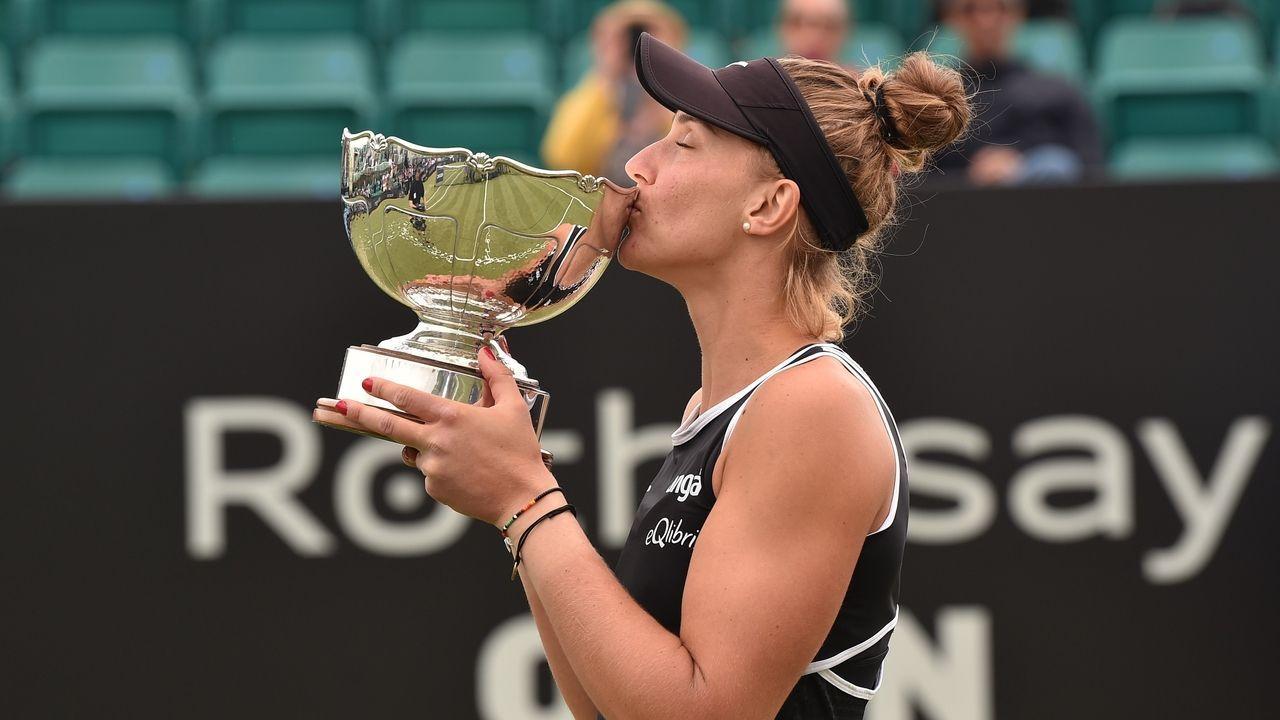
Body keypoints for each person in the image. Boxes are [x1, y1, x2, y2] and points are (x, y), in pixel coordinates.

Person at [316, 32, 970, 719]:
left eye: (684, 142)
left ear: (768, 207)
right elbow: (606, 705)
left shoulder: (810, 407)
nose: (639, 164)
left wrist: (527, 498)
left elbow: (702, 713)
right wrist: (512, 500)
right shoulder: (718, 406)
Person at [933, 0, 1102, 184]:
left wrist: (1018, 161)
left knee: (1054, 163)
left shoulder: (1058, 92)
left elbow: (1091, 165)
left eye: (1000, 8)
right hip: (959, 204)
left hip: (1044, 202)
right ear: (952, 19)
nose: (986, 21)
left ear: (1017, 15)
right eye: (970, 10)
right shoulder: (938, 101)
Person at [541, 0, 687, 180]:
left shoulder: (687, 101)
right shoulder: (591, 95)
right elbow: (561, 157)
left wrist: (663, 79)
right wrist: (607, 74)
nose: (635, 44)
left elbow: (691, 161)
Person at [776, 0, 851, 63]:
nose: (813, 37)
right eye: (797, 22)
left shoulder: (854, 80)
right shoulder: (766, 78)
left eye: (829, 25)